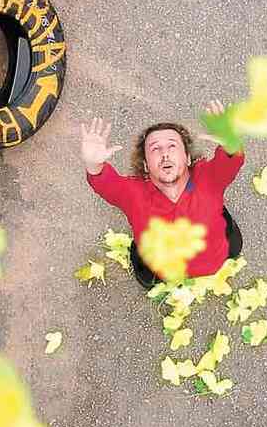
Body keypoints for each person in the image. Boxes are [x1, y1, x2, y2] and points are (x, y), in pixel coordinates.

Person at [81, 100, 245, 288]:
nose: (165, 154)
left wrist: (231, 140)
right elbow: (105, 183)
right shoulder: (133, 194)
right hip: (162, 270)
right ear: (145, 165)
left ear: (188, 157)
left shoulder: (209, 178)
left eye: (172, 146)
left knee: (233, 242)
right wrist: (93, 164)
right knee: (146, 273)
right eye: (155, 149)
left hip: (217, 256)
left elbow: (231, 160)